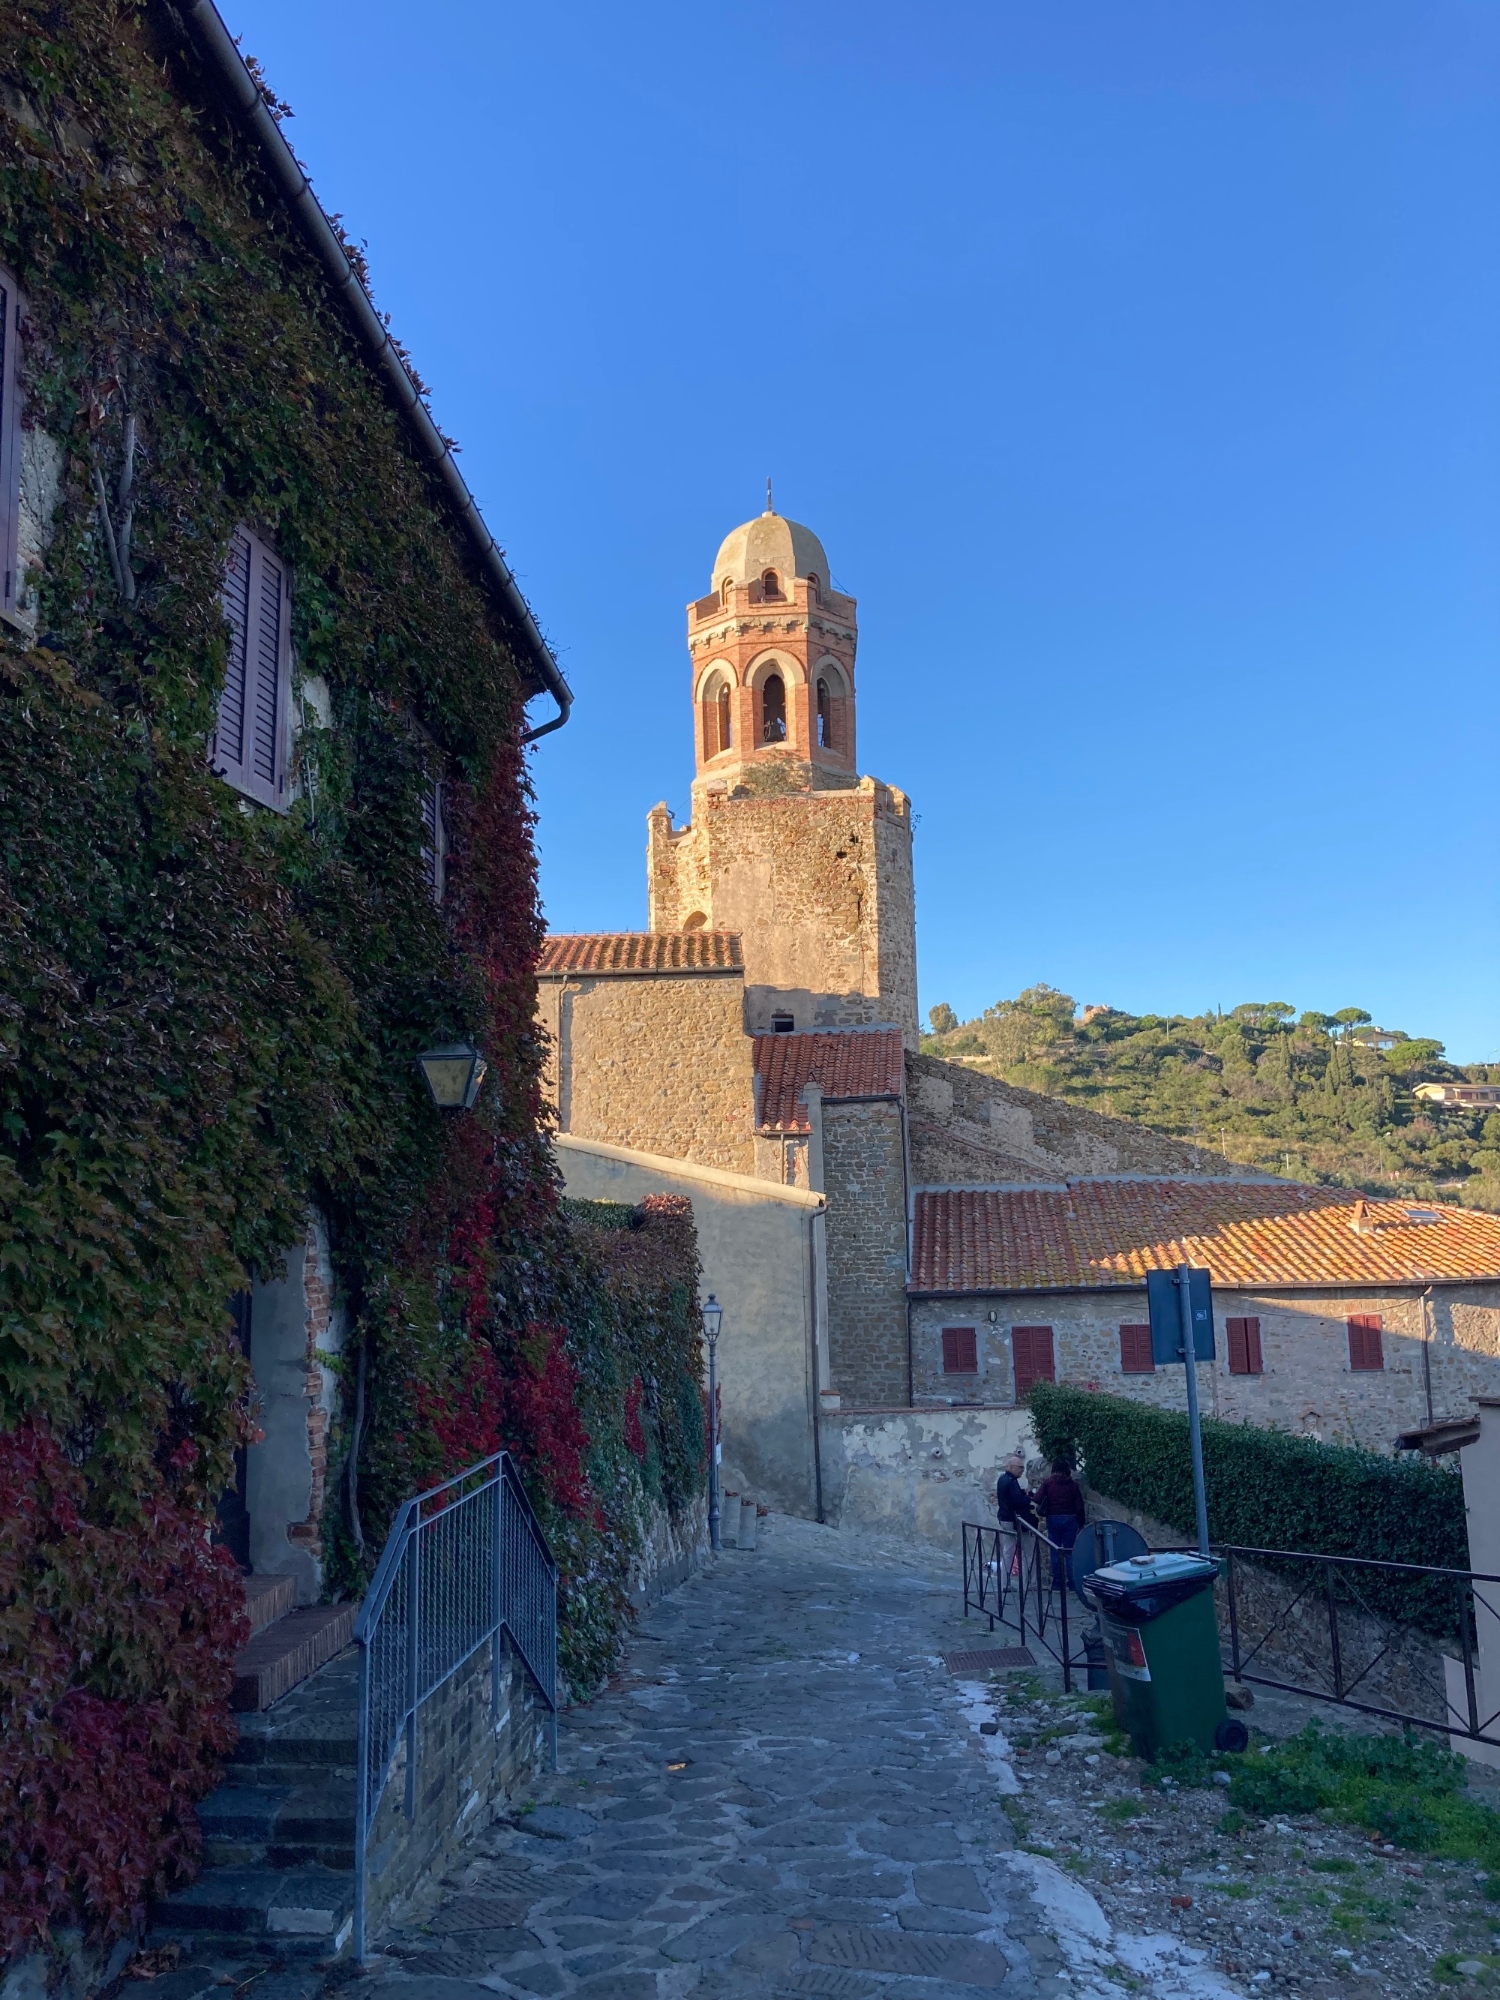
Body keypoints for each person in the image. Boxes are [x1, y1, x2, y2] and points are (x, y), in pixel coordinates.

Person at [1034, 1457, 1087, 1594]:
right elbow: (1079, 1505)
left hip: (1053, 1518)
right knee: (1069, 1552)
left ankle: (1057, 1583)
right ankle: (1073, 1583)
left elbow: (1037, 1499)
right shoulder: (1073, 1485)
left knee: (1055, 1551)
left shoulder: (1048, 1483)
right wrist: (1081, 1522)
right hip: (1070, 1519)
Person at [995, 1451, 1034, 1589]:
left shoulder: (1002, 1479)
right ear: (1011, 1467)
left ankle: (1005, 1583)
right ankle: (1026, 1584)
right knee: (1027, 1551)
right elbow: (1017, 1501)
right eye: (1020, 1467)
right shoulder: (1011, 1481)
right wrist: (1028, 1498)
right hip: (1015, 1520)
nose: (1022, 1471)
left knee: (1008, 1551)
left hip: (1004, 1518)